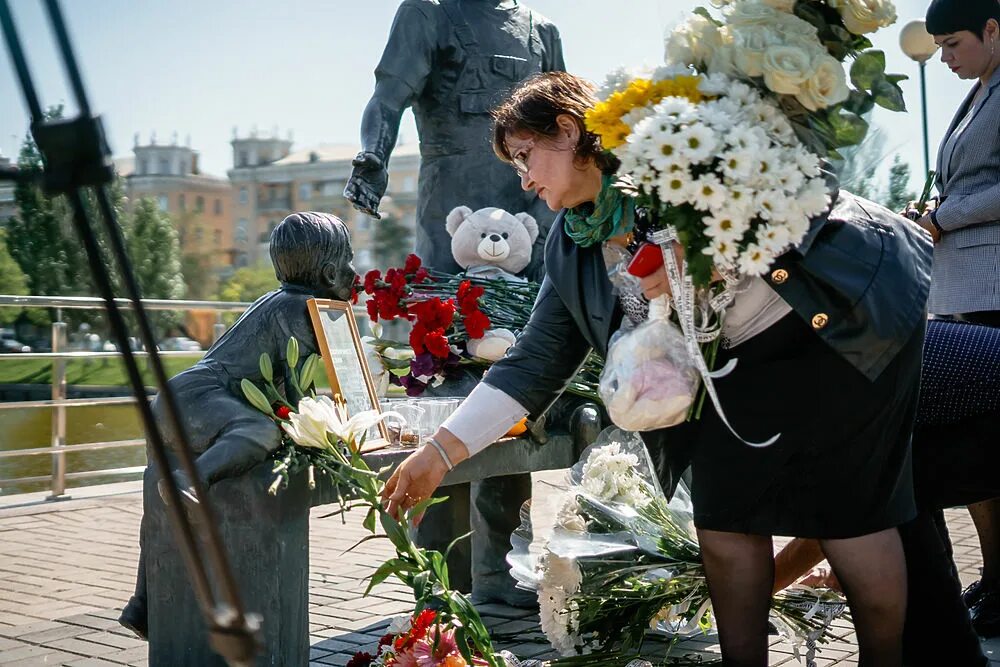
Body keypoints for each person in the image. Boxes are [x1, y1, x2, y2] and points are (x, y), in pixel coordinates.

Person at [381, 71, 933, 666]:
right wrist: (440, 451)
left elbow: (802, 181)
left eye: (526, 156)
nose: (524, 179)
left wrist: (703, 256)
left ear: (568, 131)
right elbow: (535, 361)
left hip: (828, 333)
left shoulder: (667, 149)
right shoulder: (569, 243)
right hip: (730, 373)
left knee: (852, 519)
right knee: (726, 520)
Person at [119, 211, 358, 640]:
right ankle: (192, 482)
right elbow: (293, 392)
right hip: (202, 398)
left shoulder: (276, 300)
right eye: (349, 261)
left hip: (182, 397)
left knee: (155, 505)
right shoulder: (300, 309)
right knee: (259, 432)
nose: (356, 272)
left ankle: (143, 602)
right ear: (327, 271)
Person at [774, 318, 1000, 666]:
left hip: (989, 408)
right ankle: (949, 651)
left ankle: (946, 653)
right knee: (898, 498)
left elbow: (849, 508)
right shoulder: (826, 350)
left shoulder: (820, 385)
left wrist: (758, 586)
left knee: (885, 503)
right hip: (977, 406)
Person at [344, 0, 564, 278]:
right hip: (449, 219)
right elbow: (388, 98)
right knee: (446, 316)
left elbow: (561, 125)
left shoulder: (543, 31)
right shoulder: (427, 14)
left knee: (535, 316)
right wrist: (374, 155)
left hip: (530, 221)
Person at [904, 0, 1000, 633]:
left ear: (994, 29)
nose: (945, 57)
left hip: (993, 288)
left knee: (983, 448)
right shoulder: (980, 92)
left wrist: (945, 215)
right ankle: (996, 578)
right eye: (938, 46)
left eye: (954, 43)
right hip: (964, 288)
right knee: (977, 451)